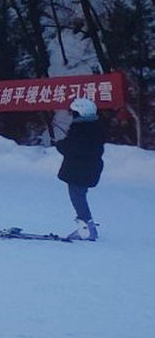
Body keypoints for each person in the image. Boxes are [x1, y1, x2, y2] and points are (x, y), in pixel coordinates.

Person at [55, 96, 105, 240]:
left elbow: (72, 148)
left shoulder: (80, 129)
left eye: (74, 112)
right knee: (79, 195)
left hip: (79, 170)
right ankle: (86, 226)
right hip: (90, 168)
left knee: (77, 196)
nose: (72, 115)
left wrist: (60, 144)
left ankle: (87, 228)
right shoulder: (95, 127)